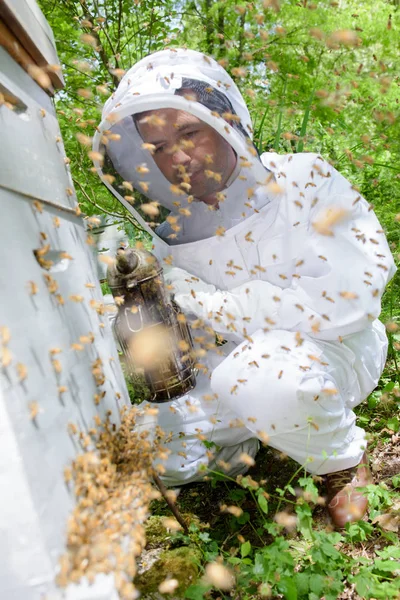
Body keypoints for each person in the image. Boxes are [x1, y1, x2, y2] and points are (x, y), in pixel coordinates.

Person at [93, 48, 396, 528]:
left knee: (260, 381)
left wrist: (216, 305)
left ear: (225, 121)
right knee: (153, 449)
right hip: (231, 366)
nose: (178, 156)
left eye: (188, 132)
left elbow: (346, 302)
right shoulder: (173, 229)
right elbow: (196, 331)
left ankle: (341, 464)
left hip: (333, 352)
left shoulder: (303, 178)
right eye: (157, 147)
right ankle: (252, 441)